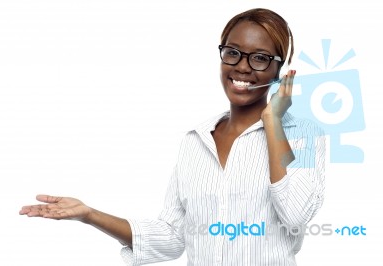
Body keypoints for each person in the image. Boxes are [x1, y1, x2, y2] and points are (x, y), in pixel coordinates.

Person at [20, 8, 325, 266]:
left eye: (259, 58)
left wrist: (273, 123)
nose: (242, 67)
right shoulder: (195, 141)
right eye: (232, 53)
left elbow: (296, 215)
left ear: (279, 71)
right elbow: (172, 236)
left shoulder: (305, 136)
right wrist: (89, 215)